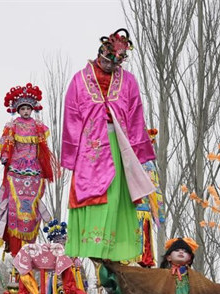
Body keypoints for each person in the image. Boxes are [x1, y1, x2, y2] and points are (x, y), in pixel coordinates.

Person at [61, 28, 156, 261]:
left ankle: (114, 247)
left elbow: (136, 116)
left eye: (114, 64)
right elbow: (71, 117)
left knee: (116, 195)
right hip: (89, 148)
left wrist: (139, 152)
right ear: (99, 54)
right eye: (105, 61)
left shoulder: (128, 81)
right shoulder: (79, 80)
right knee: (92, 193)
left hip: (119, 144)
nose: (109, 66)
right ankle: (93, 243)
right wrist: (71, 156)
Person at [0, 83, 55, 257]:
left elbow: (43, 149)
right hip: (16, 170)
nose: (26, 111)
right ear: (17, 110)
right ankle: (11, 239)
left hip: (34, 170)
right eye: (23, 109)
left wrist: (44, 166)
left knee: (32, 206)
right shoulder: (12, 126)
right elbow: (6, 145)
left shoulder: (38, 126)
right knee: (14, 205)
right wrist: (5, 157)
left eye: (28, 108)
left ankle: (29, 242)